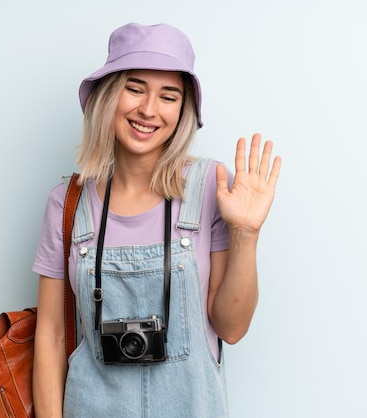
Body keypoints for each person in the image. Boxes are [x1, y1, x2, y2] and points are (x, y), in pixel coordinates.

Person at [32, 22, 281, 417]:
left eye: (169, 96)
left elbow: (231, 329)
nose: (148, 110)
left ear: (183, 110)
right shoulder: (67, 203)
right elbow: (49, 335)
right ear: (108, 95)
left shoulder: (211, 189)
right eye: (134, 88)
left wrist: (246, 234)